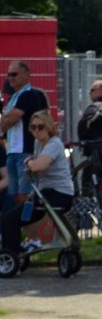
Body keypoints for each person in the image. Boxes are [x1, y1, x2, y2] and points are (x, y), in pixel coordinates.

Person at [2, 111, 73, 257]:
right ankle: (20, 249)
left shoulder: (54, 144)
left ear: (48, 128)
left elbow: (37, 166)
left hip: (57, 195)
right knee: (20, 215)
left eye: (40, 127)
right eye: (33, 128)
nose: (36, 131)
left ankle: (11, 255)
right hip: (44, 194)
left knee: (8, 220)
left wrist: (28, 161)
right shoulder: (38, 144)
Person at [1, 62, 50, 220]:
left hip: (26, 152)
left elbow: (11, 119)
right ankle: (20, 232)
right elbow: (5, 123)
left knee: (26, 196)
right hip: (13, 152)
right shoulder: (14, 98)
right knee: (15, 197)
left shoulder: (28, 94)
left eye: (14, 74)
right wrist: (6, 120)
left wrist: (6, 120)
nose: (10, 78)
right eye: (8, 75)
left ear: (26, 74)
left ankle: (33, 235)